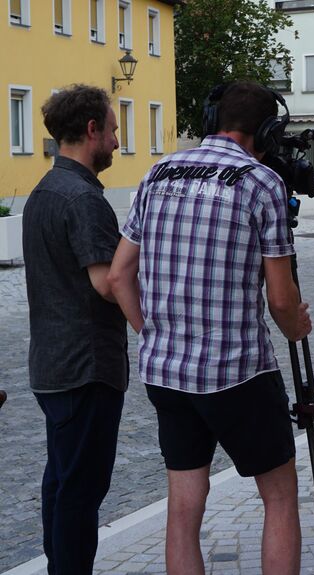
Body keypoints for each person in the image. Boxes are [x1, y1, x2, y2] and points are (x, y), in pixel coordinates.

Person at [108, 81, 311, 575]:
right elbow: (281, 301)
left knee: (183, 508)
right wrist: (298, 327)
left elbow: (118, 275)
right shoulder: (262, 183)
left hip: (166, 373)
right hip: (236, 372)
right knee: (280, 497)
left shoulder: (156, 173)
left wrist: (151, 333)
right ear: (267, 131)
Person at [22, 85, 126, 574]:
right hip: (87, 365)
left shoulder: (43, 191)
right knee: (80, 490)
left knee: (61, 481)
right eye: (112, 132)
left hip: (52, 362)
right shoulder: (83, 198)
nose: (116, 142)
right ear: (91, 131)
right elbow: (108, 282)